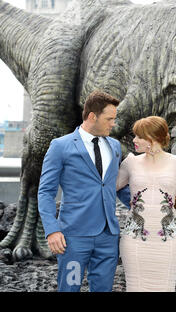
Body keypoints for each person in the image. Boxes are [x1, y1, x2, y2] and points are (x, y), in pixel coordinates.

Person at [38, 90, 130, 292]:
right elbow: (45, 191)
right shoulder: (60, 146)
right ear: (92, 116)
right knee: (69, 288)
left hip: (108, 235)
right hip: (73, 236)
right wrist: (52, 230)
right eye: (109, 119)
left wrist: (147, 206)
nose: (113, 124)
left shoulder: (114, 146)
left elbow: (117, 186)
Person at [116, 116, 176, 292]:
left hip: (168, 240)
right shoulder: (131, 162)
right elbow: (107, 188)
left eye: (139, 136)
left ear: (152, 138)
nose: (134, 140)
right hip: (135, 240)